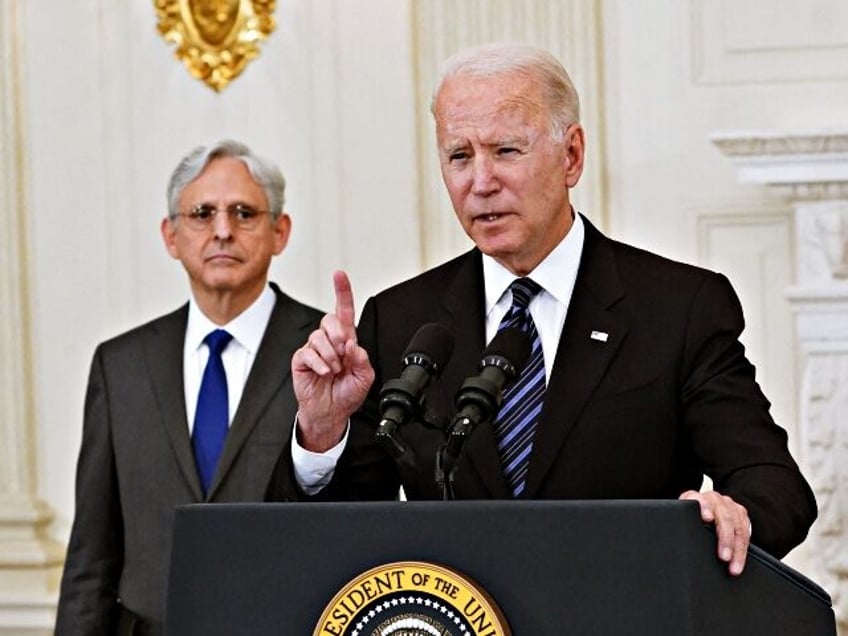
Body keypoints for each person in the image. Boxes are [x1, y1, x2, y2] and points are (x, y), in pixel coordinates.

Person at [275, 43, 817, 577]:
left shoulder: (678, 308)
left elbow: (775, 488)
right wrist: (320, 434)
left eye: (506, 151)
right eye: (459, 156)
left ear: (571, 156)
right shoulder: (400, 321)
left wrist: (728, 519)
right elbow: (336, 536)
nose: (480, 182)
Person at [55, 140, 323, 635]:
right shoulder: (121, 365)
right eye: (202, 213)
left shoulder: (325, 354)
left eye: (244, 213)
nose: (223, 230)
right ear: (171, 235)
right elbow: (92, 552)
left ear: (279, 231)